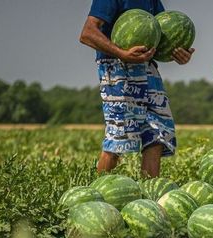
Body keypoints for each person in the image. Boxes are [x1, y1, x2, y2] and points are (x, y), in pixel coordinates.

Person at [79, 0, 194, 178]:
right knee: (120, 135)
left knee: (158, 133)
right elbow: (87, 33)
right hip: (117, 68)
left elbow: (160, 39)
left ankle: (149, 194)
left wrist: (177, 54)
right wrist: (121, 53)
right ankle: (98, 192)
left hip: (148, 68)